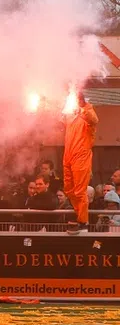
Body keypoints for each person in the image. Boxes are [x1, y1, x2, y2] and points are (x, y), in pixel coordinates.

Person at [65, 93, 98, 233]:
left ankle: (83, 222)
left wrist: (83, 107)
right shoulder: (71, 116)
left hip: (81, 156)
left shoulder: (87, 115)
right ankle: (78, 216)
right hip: (68, 155)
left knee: (79, 191)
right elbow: (59, 118)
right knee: (68, 189)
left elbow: (94, 119)